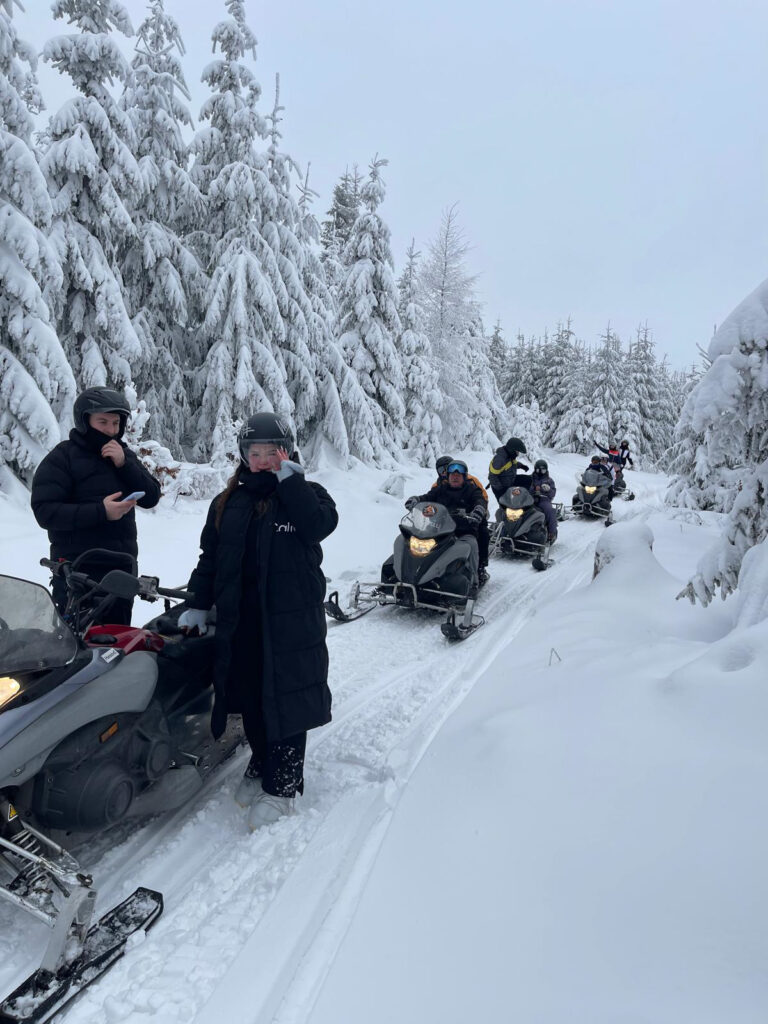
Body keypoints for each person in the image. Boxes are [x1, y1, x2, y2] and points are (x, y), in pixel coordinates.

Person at [178, 412, 338, 831]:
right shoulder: (228, 502)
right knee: (250, 698)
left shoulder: (309, 495)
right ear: (243, 456)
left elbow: (319, 526)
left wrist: (293, 483)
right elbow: (210, 558)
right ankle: (262, 762)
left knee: (286, 701)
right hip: (241, 622)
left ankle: (283, 787)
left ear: (287, 452)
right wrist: (198, 602)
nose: (264, 460)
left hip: (290, 625)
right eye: (256, 453)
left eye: (273, 452)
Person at [31, 386, 161, 624]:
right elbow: (45, 512)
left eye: (115, 423)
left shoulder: (124, 455)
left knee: (116, 646)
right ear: (84, 421)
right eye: (103, 422)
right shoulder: (63, 457)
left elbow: (152, 495)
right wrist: (101, 512)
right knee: (75, 651)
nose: (111, 430)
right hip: (77, 573)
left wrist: (125, 464)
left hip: (121, 569)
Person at [406, 459, 490, 584]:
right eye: (452, 475)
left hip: (464, 531)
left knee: (472, 544)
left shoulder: (472, 489)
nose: (455, 477)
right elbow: (428, 497)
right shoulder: (440, 489)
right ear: (448, 476)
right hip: (439, 529)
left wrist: (478, 509)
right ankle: (414, 572)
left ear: (464, 476)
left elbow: (480, 500)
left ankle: (474, 577)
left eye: (458, 475)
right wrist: (417, 500)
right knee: (418, 543)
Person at [488, 437, 529, 501]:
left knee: (528, 480)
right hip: (500, 486)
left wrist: (522, 466)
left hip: (510, 480)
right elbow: (492, 476)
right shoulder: (500, 459)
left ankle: (528, 498)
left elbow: (513, 464)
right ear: (512, 450)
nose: (518, 454)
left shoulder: (509, 456)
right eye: (517, 452)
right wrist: (501, 490)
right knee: (507, 506)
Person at [531, 459, 558, 543]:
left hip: (543, 500)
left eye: (543, 470)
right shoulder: (530, 478)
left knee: (549, 510)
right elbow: (525, 488)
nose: (540, 472)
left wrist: (548, 489)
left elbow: (552, 493)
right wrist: (533, 489)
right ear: (535, 469)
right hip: (530, 499)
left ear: (546, 470)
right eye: (538, 469)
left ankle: (551, 532)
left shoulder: (549, 480)